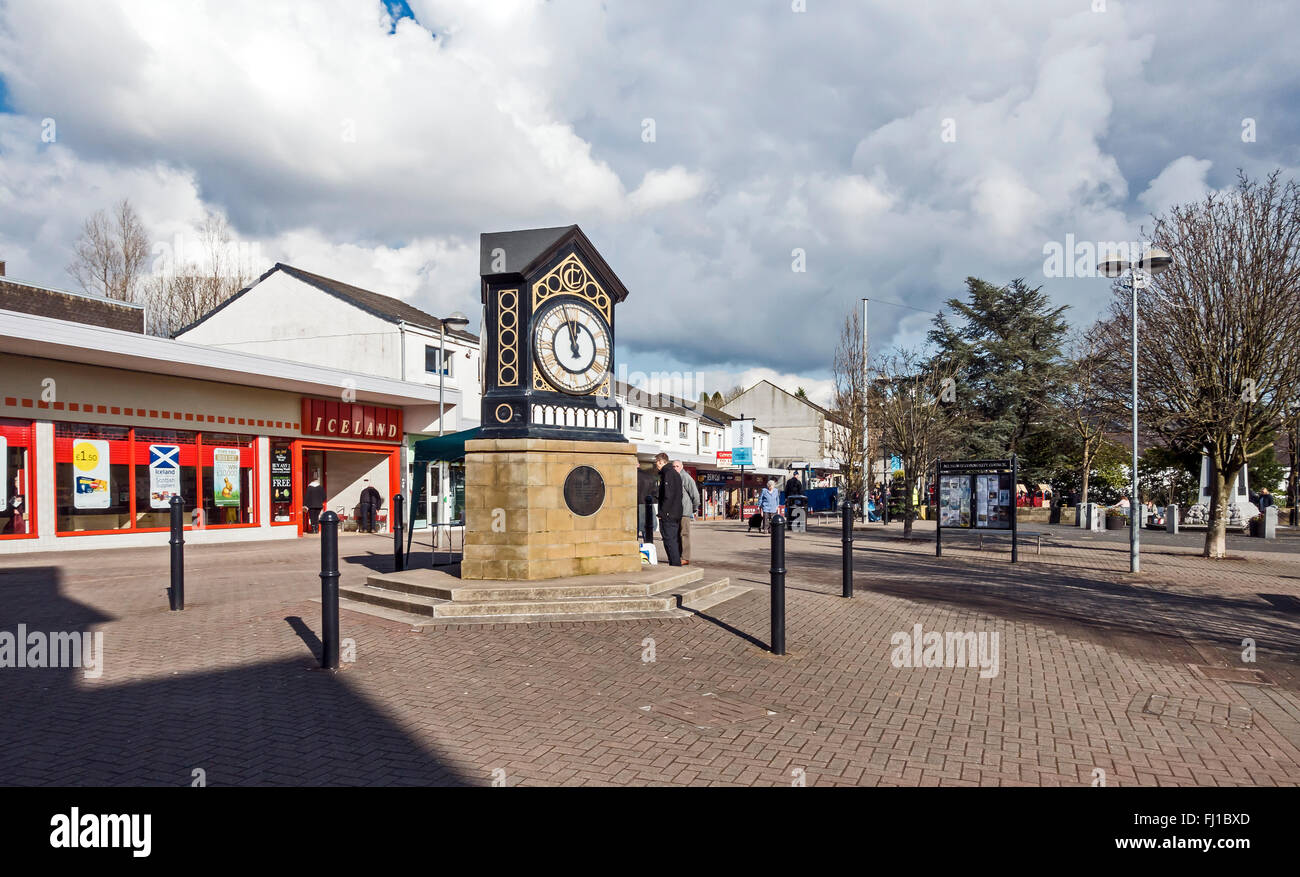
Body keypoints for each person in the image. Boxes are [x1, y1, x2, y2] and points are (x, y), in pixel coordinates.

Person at [654, 452, 683, 566]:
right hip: (675, 513)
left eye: (657, 462)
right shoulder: (674, 474)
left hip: (669, 514)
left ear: (661, 462)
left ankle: (675, 564)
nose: (656, 464)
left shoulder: (668, 474)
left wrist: (662, 512)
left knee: (669, 541)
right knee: (673, 540)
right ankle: (675, 563)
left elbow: (668, 495)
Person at [673, 460, 700, 565]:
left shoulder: (686, 477)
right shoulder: (675, 477)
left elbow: (695, 495)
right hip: (676, 511)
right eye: (674, 466)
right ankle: (679, 555)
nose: (675, 468)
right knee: (677, 535)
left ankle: (685, 557)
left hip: (684, 511)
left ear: (682, 467)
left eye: (677, 466)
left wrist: (694, 509)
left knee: (684, 534)